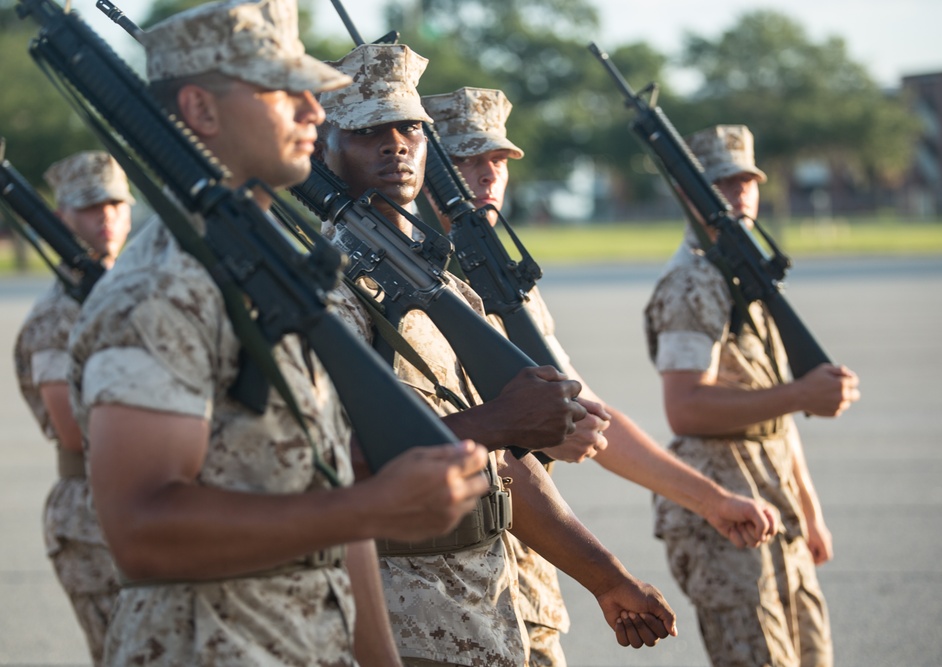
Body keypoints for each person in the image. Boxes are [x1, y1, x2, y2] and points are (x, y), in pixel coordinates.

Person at [67, 2, 490, 665]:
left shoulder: (272, 270)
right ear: (201, 112)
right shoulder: (158, 293)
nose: (315, 110)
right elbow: (142, 531)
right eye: (281, 90)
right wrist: (370, 508)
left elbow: (326, 488)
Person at [316, 43, 678, 667]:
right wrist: (496, 423)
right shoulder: (324, 287)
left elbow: (505, 466)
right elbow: (329, 466)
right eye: (368, 130)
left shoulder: (445, 287)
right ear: (327, 148)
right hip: (396, 621)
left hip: (486, 610)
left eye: (409, 127)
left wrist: (606, 577)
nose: (395, 145)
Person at [421, 86, 780, 667]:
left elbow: (595, 415)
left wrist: (709, 499)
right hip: (438, 597)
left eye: (496, 160)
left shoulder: (505, 285)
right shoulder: (397, 288)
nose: (487, 175)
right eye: (465, 160)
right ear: (427, 166)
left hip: (523, 585)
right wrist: (606, 573)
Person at [644, 124, 861, 667]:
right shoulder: (692, 284)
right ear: (690, 195)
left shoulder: (741, 279)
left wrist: (809, 511)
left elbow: (777, 414)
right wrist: (800, 393)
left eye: (747, 181)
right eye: (722, 183)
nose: (740, 194)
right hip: (724, 503)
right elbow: (686, 406)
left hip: (775, 492)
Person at [12, 150, 133, 665]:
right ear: (62, 217)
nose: (104, 218)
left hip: (144, 500)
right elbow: (73, 431)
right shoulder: (57, 316)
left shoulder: (129, 289)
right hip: (92, 515)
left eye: (114, 204)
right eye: (88, 208)